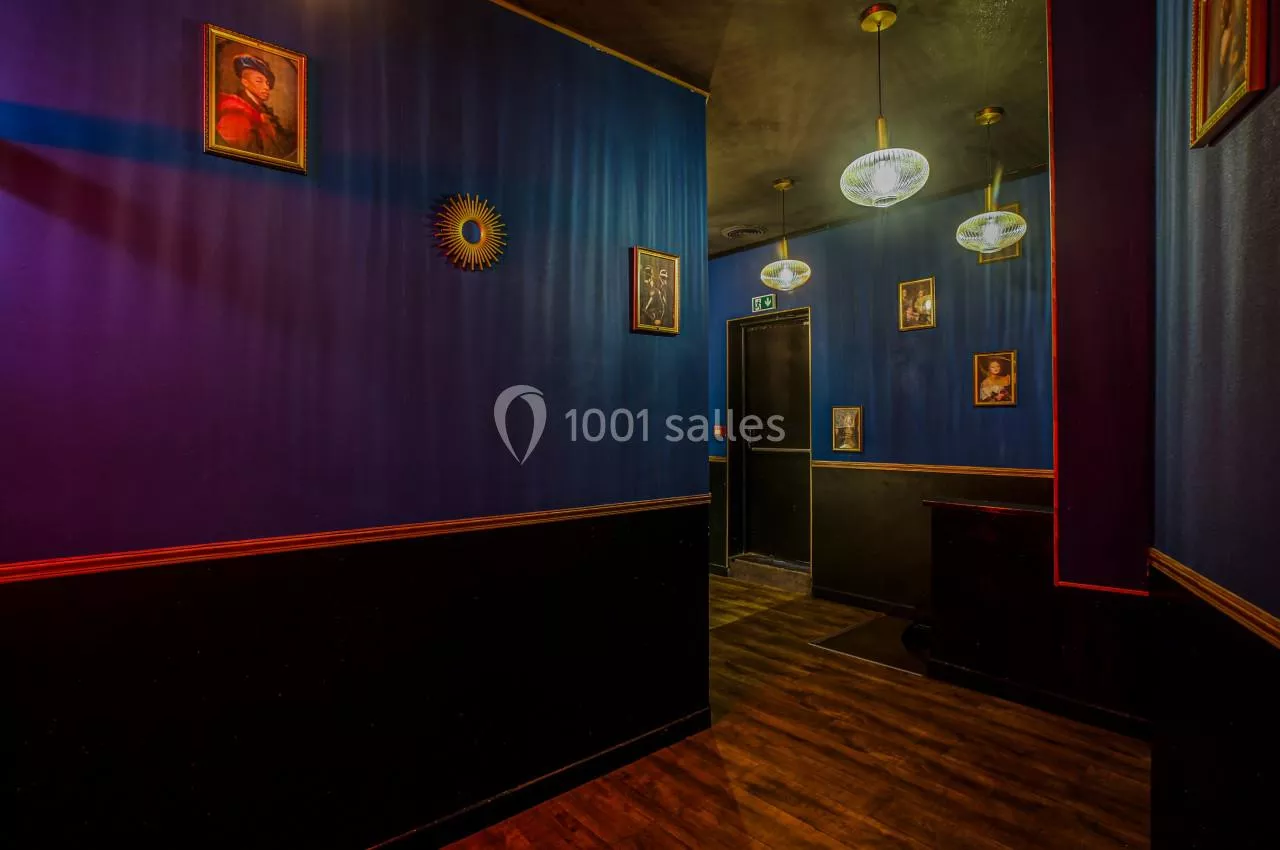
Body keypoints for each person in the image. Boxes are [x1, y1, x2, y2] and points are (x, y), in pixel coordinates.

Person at [216, 54, 296, 159]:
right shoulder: (236, 112)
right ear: (245, 82)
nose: (266, 87)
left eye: (267, 83)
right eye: (259, 81)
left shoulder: (263, 110)